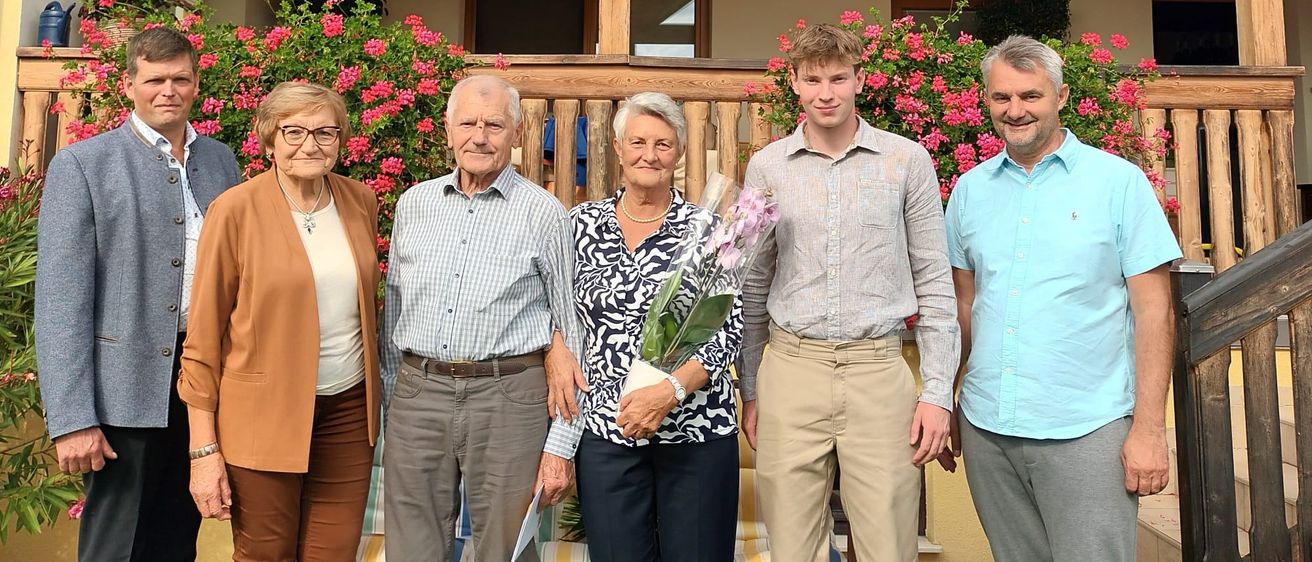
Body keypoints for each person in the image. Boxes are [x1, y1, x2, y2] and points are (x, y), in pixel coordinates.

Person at [945, 35, 1181, 562]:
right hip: (988, 427)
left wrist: (1148, 429)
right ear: (986, 101)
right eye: (1002, 97)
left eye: (1030, 96)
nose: (1015, 110)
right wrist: (944, 398)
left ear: (1061, 96)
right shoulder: (968, 191)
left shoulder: (1119, 184)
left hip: (1087, 427)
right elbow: (963, 308)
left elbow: (1153, 313)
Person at [737, 23, 960, 562]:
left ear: (860, 78)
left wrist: (935, 390)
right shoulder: (767, 167)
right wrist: (751, 388)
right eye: (812, 79)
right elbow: (752, 283)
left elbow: (934, 280)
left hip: (878, 372)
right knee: (792, 547)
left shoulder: (907, 162)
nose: (826, 93)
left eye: (838, 78)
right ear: (793, 82)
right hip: (791, 369)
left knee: (888, 541)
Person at [34, 26, 241, 561]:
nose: (167, 90)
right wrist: (73, 419)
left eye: (180, 79)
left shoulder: (220, 160)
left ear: (196, 84)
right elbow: (61, 301)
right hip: (121, 394)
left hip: (202, 386)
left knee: (177, 541)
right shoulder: (83, 165)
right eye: (154, 79)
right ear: (129, 85)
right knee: (116, 548)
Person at [381, 74, 585, 562]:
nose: (480, 136)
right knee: (411, 546)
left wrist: (562, 444)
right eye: (468, 123)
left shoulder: (544, 212)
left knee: (506, 548)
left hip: (509, 396)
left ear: (516, 133)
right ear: (447, 130)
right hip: (418, 392)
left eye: (494, 125)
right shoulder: (414, 204)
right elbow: (394, 309)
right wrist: (396, 402)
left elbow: (570, 330)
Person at [176, 81, 382, 561]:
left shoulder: (359, 201)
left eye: (325, 132)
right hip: (261, 416)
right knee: (265, 555)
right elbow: (203, 340)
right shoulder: (233, 212)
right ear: (269, 140)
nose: (310, 145)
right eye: (293, 132)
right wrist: (203, 451)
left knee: (333, 553)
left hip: (347, 415)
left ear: (340, 140)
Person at [570, 92, 743, 562]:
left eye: (664, 144)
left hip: (696, 432)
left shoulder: (709, 229)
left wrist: (670, 391)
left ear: (680, 153)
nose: (650, 155)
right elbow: (556, 317)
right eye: (639, 142)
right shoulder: (580, 224)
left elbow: (728, 330)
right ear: (618, 147)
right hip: (610, 431)